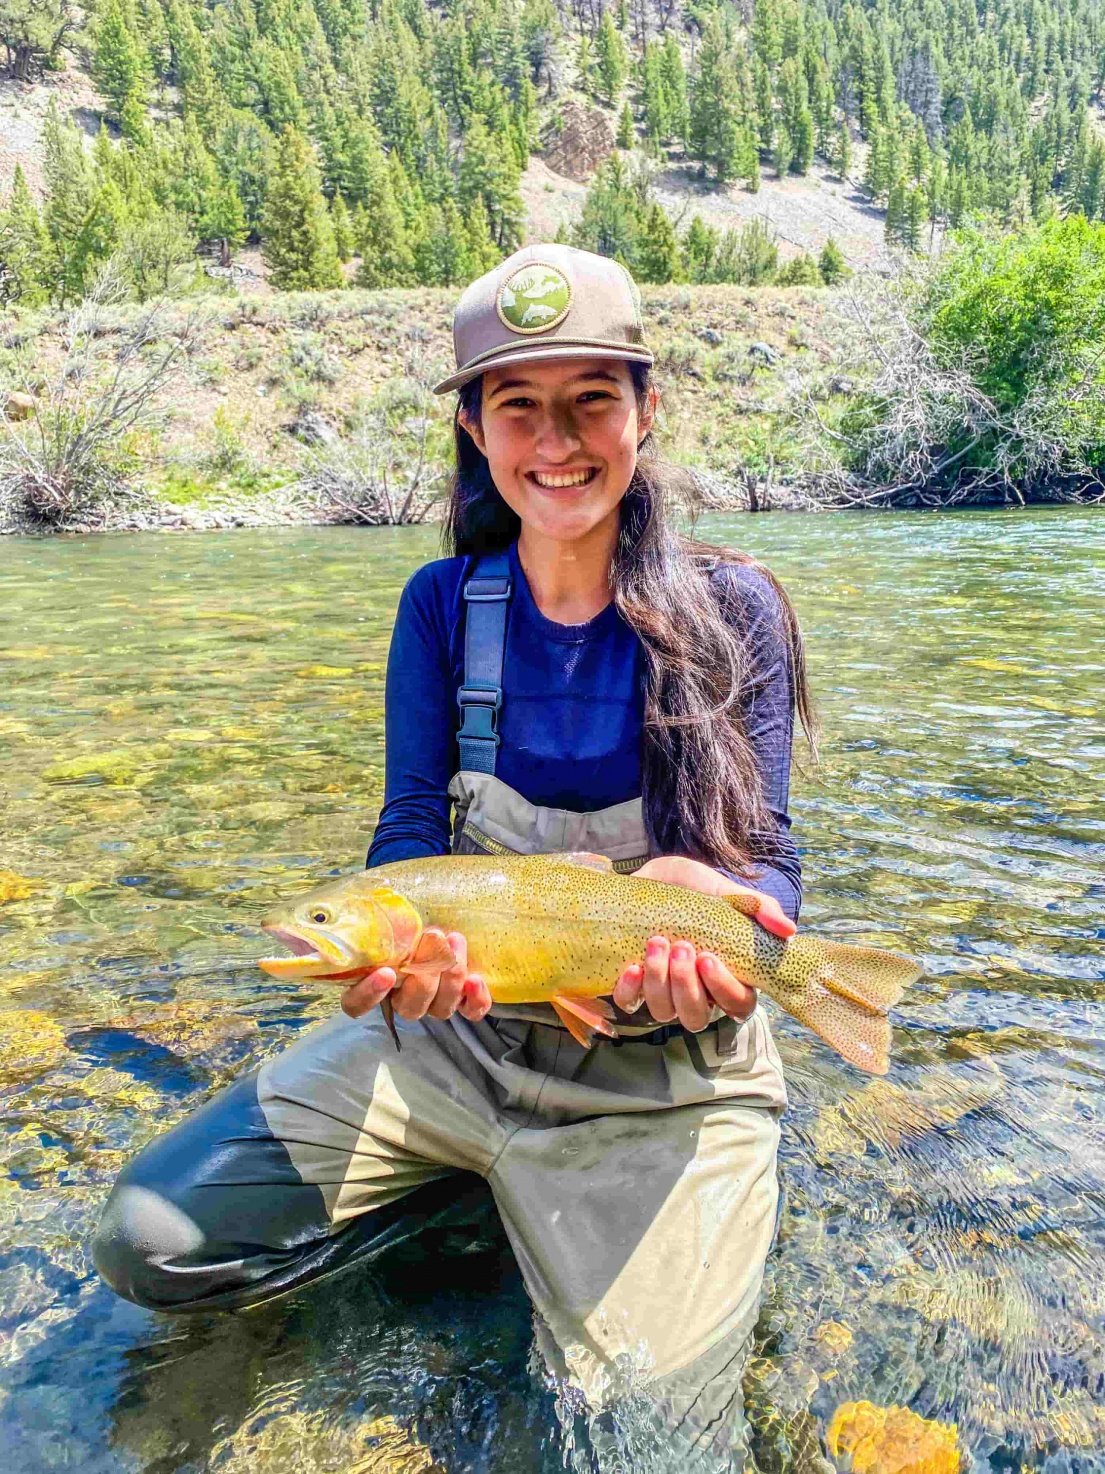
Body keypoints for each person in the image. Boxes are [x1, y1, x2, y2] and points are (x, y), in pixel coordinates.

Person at [93, 244, 814, 1462]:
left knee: (641, 1441)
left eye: (593, 397)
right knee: (151, 1237)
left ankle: (524, 1216)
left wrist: (739, 916)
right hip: (455, 1038)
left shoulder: (732, 607)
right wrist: (389, 957)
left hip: (666, 1073)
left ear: (646, 409)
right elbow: (408, 832)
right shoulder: (442, 606)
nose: (558, 440)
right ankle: (452, 1197)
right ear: (475, 428)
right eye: (517, 404)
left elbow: (772, 858)